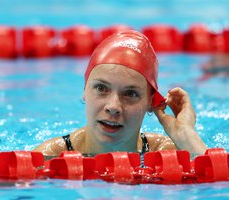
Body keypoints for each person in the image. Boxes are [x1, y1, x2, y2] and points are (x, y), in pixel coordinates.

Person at [33, 30, 207, 157]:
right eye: (101, 88)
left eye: (130, 93)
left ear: (151, 102)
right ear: (85, 90)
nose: (113, 107)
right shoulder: (50, 156)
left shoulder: (164, 153)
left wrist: (185, 135)